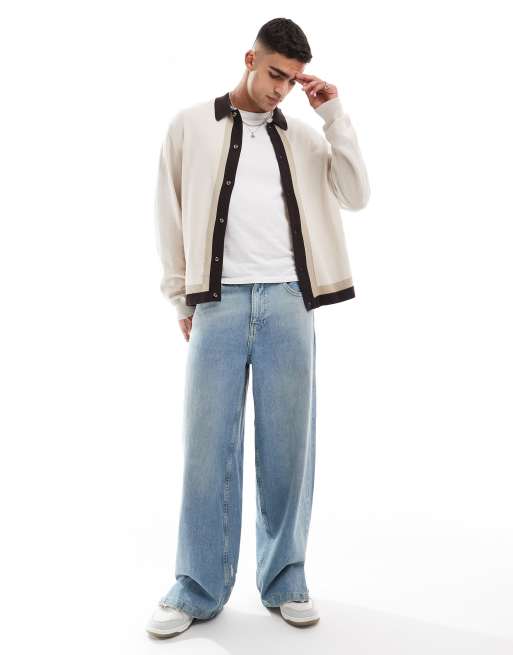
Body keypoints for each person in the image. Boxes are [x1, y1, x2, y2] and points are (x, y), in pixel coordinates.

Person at [146, 17, 370, 639]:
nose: (281, 89)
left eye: (293, 81)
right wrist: (181, 297)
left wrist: (334, 115)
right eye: (275, 74)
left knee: (288, 449)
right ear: (250, 58)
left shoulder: (305, 137)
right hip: (217, 304)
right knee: (206, 450)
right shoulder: (189, 125)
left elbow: (356, 194)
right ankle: (196, 587)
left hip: (289, 302)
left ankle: (286, 579)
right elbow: (168, 212)